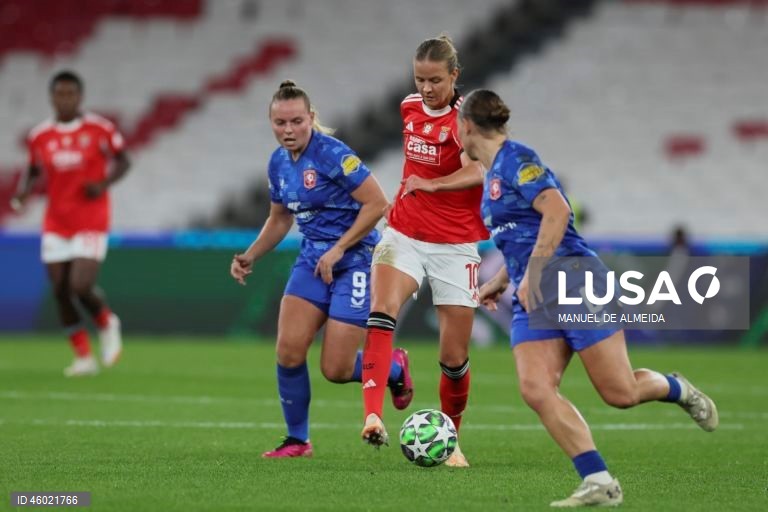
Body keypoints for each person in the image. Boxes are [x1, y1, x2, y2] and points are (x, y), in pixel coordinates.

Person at [406, 88, 719, 506]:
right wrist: (502, 279)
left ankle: (678, 389)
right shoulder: (491, 172)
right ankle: (599, 481)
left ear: (465, 126)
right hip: (533, 295)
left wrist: (532, 271)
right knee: (535, 388)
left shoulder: (517, 158)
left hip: (573, 281)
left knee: (619, 393)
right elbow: (521, 234)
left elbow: (558, 211)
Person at [230, 80, 412, 458]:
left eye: (296, 121)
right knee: (289, 351)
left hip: (356, 261)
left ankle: (395, 369)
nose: (288, 130)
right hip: (313, 261)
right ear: (271, 122)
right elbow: (279, 219)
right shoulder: (278, 162)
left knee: (337, 369)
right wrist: (251, 254)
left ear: (310, 118)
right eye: (280, 123)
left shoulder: (333, 154)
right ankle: (298, 440)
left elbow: (377, 204)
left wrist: (340, 248)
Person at [360, 35, 488, 468]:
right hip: (405, 232)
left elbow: (477, 170)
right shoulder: (408, 107)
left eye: (436, 79)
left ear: (455, 76)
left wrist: (432, 183)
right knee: (381, 310)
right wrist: (418, 190)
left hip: (455, 243)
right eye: (420, 79)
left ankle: (451, 440)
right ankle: (373, 416)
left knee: (453, 357)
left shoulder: (469, 119)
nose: (427, 88)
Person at [10, 70, 130, 377]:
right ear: (51, 97)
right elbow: (34, 170)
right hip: (56, 221)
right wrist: (23, 193)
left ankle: (105, 321)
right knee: (61, 291)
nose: (65, 99)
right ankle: (83, 358)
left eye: (70, 94)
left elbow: (124, 160)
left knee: (80, 285)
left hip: (91, 218)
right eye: (59, 94)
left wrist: (103, 184)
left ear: (80, 96)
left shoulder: (99, 129)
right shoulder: (40, 136)